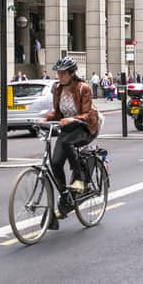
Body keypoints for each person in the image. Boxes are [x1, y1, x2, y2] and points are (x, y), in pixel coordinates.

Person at [45, 56, 99, 228]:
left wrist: (73, 119)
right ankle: (65, 196)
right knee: (55, 162)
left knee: (68, 143)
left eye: (62, 73)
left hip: (84, 127)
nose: (59, 76)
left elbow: (87, 113)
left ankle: (80, 181)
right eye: (58, 73)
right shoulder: (57, 89)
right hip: (68, 129)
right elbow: (57, 113)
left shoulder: (83, 88)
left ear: (71, 73)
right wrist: (44, 119)